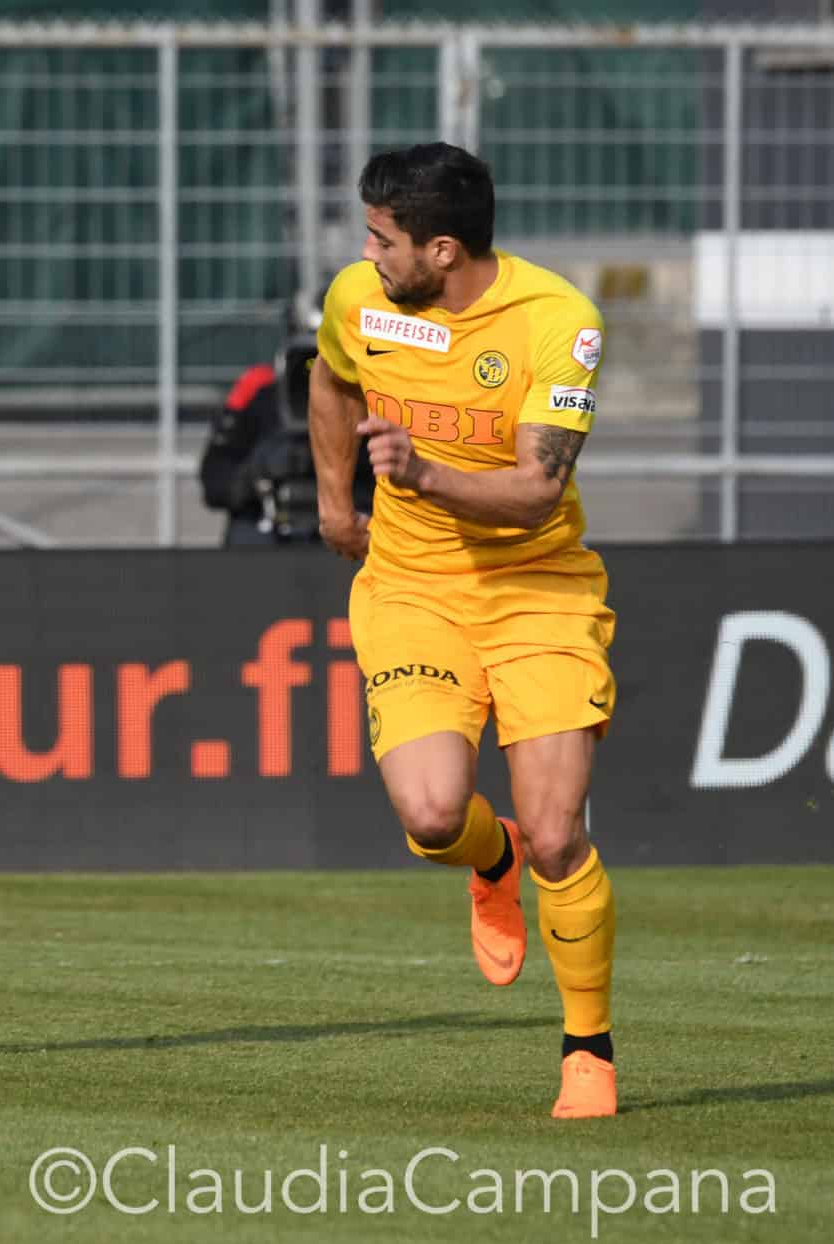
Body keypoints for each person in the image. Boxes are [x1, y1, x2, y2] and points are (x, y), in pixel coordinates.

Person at [307, 143, 618, 1118]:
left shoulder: (558, 322)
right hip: (412, 589)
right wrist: (335, 505)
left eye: (383, 238)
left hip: (539, 589)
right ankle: (492, 859)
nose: (366, 253)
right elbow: (331, 381)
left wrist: (422, 473)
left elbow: (537, 490)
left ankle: (588, 1048)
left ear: (442, 250)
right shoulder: (359, 300)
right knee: (434, 815)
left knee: (560, 832)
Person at [200, 294, 375, 546]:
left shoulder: (377, 399)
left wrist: (351, 460)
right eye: (312, 355)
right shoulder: (259, 394)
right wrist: (258, 470)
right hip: (270, 534)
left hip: (352, 532)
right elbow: (215, 482)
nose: (319, 368)